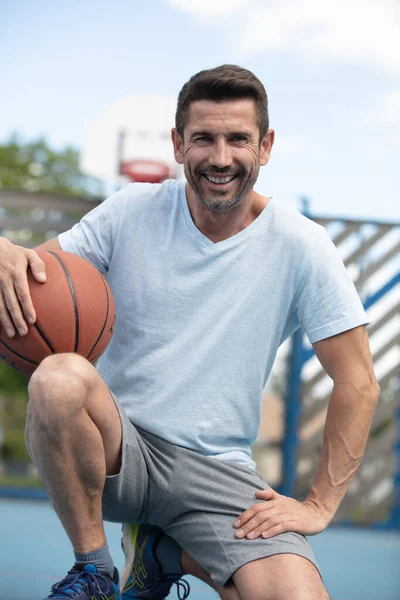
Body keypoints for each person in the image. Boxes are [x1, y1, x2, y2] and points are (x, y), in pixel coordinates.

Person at [0, 64, 379, 600]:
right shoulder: (131, 210)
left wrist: (318, 505)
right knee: (59, 376)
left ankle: (158, 555)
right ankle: (94, 570)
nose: (220, 157)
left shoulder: (303, 245)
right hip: (116, 449)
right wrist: (6, 253)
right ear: (179, 145)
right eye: (203, 138)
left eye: (238, 139)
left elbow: (360, 381)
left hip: (216, 470)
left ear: (265, 146)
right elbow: (35, 279)